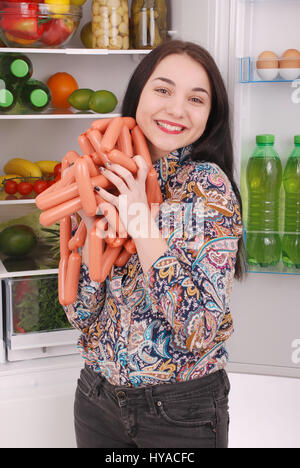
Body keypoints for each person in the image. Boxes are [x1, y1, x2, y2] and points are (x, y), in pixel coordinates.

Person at [64, 40, 245, 449]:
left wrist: (140, 222)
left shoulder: (206, 188)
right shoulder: (103, 177)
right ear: (139, 94)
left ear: (210, 114)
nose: (177, 109)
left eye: (196, 98)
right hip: (96, 396)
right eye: (163, 90)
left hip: (178, 411)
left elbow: (198, 329)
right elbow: (82, 316)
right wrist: (92, 226)